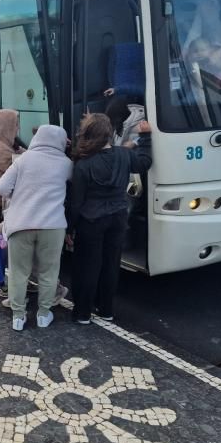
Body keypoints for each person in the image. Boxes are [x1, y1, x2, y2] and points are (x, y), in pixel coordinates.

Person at [69, 114, 152, 324]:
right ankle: (106, 310)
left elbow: (76, 203)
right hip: (118, 217)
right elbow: (144, 163)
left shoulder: (82, 165)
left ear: (88, 134)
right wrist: (146, 138)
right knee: (111, 265)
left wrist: (69, 227)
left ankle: (83, 313)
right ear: (108, 134)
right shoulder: (124, 155)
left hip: (91, 221)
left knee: (88, 267)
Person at [0, 126, 73, 331]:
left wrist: (20, 195)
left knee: (19, 273)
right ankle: (44, 315)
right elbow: (74, 183)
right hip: (52, 227)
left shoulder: (24, 159)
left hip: (21, 225)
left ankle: (18, 317)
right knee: (48, 272)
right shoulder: (66, 164)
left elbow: (1, 188)